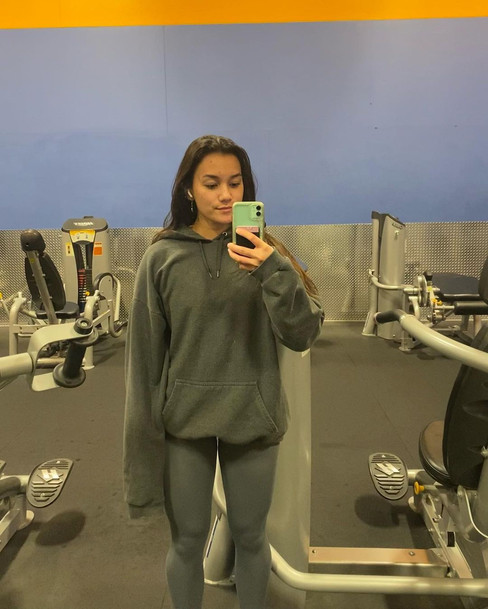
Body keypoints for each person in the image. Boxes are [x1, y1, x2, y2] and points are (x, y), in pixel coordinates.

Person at [123, 134, 323, 609]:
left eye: (235, 183)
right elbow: (144, 363)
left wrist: (273, 271)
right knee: (187, 541)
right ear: (188, 189)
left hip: (252, 417)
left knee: (251, 537)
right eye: (211, 183)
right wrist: (140, 454)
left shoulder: (267, 253)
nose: (226, 195)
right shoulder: (162, 258)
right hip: (185, 422)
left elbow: (303, 334)